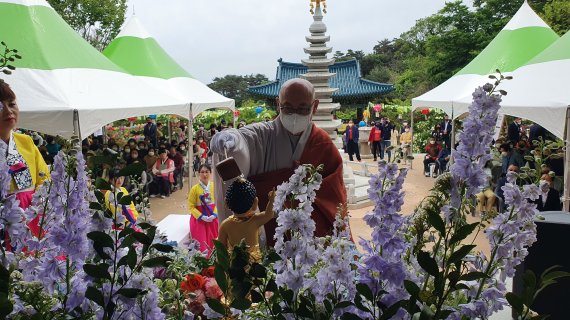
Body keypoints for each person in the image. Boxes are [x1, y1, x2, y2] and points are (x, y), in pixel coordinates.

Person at [210, 78, 347, 247]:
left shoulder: (322, 143)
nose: (295, 114)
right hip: (266, 237)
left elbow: (333, 198)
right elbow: (244, 138)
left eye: (303, 108)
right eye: (288, 107)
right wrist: (233, 139)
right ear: (278, 104)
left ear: (315, 106)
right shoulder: (263, 135)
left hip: (308, 242)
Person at [0, 81, 50, 249]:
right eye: (0, 106)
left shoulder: (26, 141)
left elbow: (45, 180)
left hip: (33, 217)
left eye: (11, 104)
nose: (8, 111)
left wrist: (38, 206)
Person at [218, 179, 275, 262]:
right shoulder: (255, 220)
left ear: (226, 203)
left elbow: (220, 251)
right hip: (254, 267)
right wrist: (271, 200)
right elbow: (269, 214)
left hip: (234, 268)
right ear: (255, 203)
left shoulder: (225, 225)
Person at [188, 164, 218, 253]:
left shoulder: (214, 186)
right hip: (199, 219)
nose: (204, 174)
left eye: (207, 172)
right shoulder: (194, 189)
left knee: (216, 241)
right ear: (198, 174)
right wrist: (201, 217)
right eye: (202, 172)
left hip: (213, 217)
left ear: (210, 173)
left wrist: (215, 214)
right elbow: (191, 206)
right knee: (201, 243)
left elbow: (218, 202)